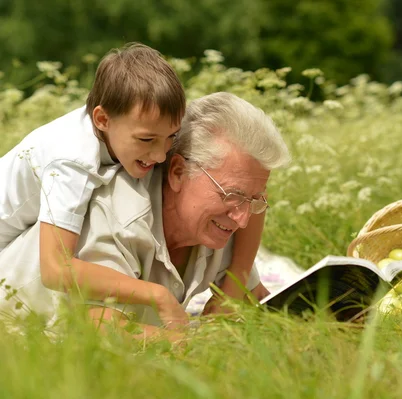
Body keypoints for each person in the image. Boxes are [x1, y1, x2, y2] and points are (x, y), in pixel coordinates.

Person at [0, 43, 269, 327]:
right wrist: (156, 295)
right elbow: (54, 269)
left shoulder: (142, 126)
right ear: (102, 119)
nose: (161, 155)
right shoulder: (72, 163)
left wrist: (238, 276)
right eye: (147, 141)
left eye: (171, 138)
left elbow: (246, 185)